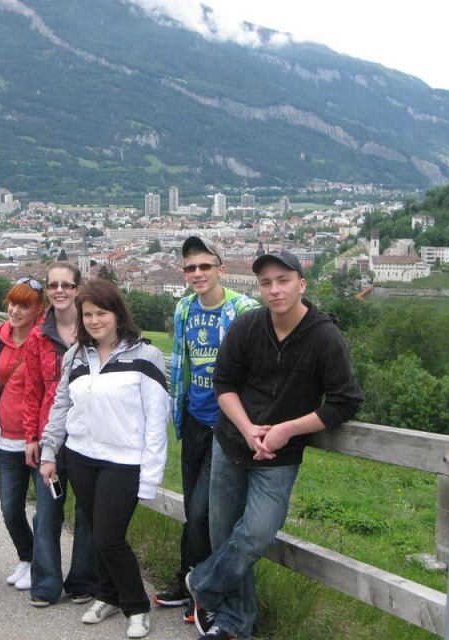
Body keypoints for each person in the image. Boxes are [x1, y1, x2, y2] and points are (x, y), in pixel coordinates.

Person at [186, 250, 364, 640]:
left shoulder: (324, 337)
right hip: (231, 442)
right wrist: (247, 427)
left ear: (302, 284)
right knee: (224, 535)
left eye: (283, 280)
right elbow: (224, 383)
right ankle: (235, 624)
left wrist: (288, 430)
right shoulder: (248, 326)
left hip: (279, 456)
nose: (274, 290)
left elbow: (345, 401)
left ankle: (202, 584)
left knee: (255, 534)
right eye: (266, 283)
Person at [40, 279, 170, 640]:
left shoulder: (145, 356)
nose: (95, 321)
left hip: (123, 462)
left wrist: (150, 477)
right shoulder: (76, 356)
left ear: (118, 314)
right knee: (97, 533)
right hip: (81, 457)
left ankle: (137, 606)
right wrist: (50, 452)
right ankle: (107, 595)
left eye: (102, 313)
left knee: (110, 537)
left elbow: (157, 421)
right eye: (88, 315)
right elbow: (61, 407)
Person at [154, 237, 259, 622]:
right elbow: (181, 361)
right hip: (194, 420)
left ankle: (205, 590)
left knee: (205, 512)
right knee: (192, 510)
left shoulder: (244, 310)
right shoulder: (184, 308)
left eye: (204, 266)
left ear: (220, 269)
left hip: (226, 427)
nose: (197, 273)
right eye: (190, 268)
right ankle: (189, 582)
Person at [23, 262, 96, 607]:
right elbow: (32, 390)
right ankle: (46, 583)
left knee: (87, 510)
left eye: (66, 285)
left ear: (78, 289)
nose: (60, 291)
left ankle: (82, 580)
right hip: (49, 435)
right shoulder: (38, 336)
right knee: (48, 511)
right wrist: (31, 437)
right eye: (53, 285)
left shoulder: (94, 328)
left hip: (87, 434)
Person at [0, 277, 45, 592]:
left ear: (38, 309)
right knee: (10, 509)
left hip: (38, 441)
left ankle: (42, 565)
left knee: (46, 510)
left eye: (25, 305)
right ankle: (27, 557)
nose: (15, 310)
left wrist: (36, 436)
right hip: (7, 438)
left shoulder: (44, 339)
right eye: (13, 303)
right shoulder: (0, 336)